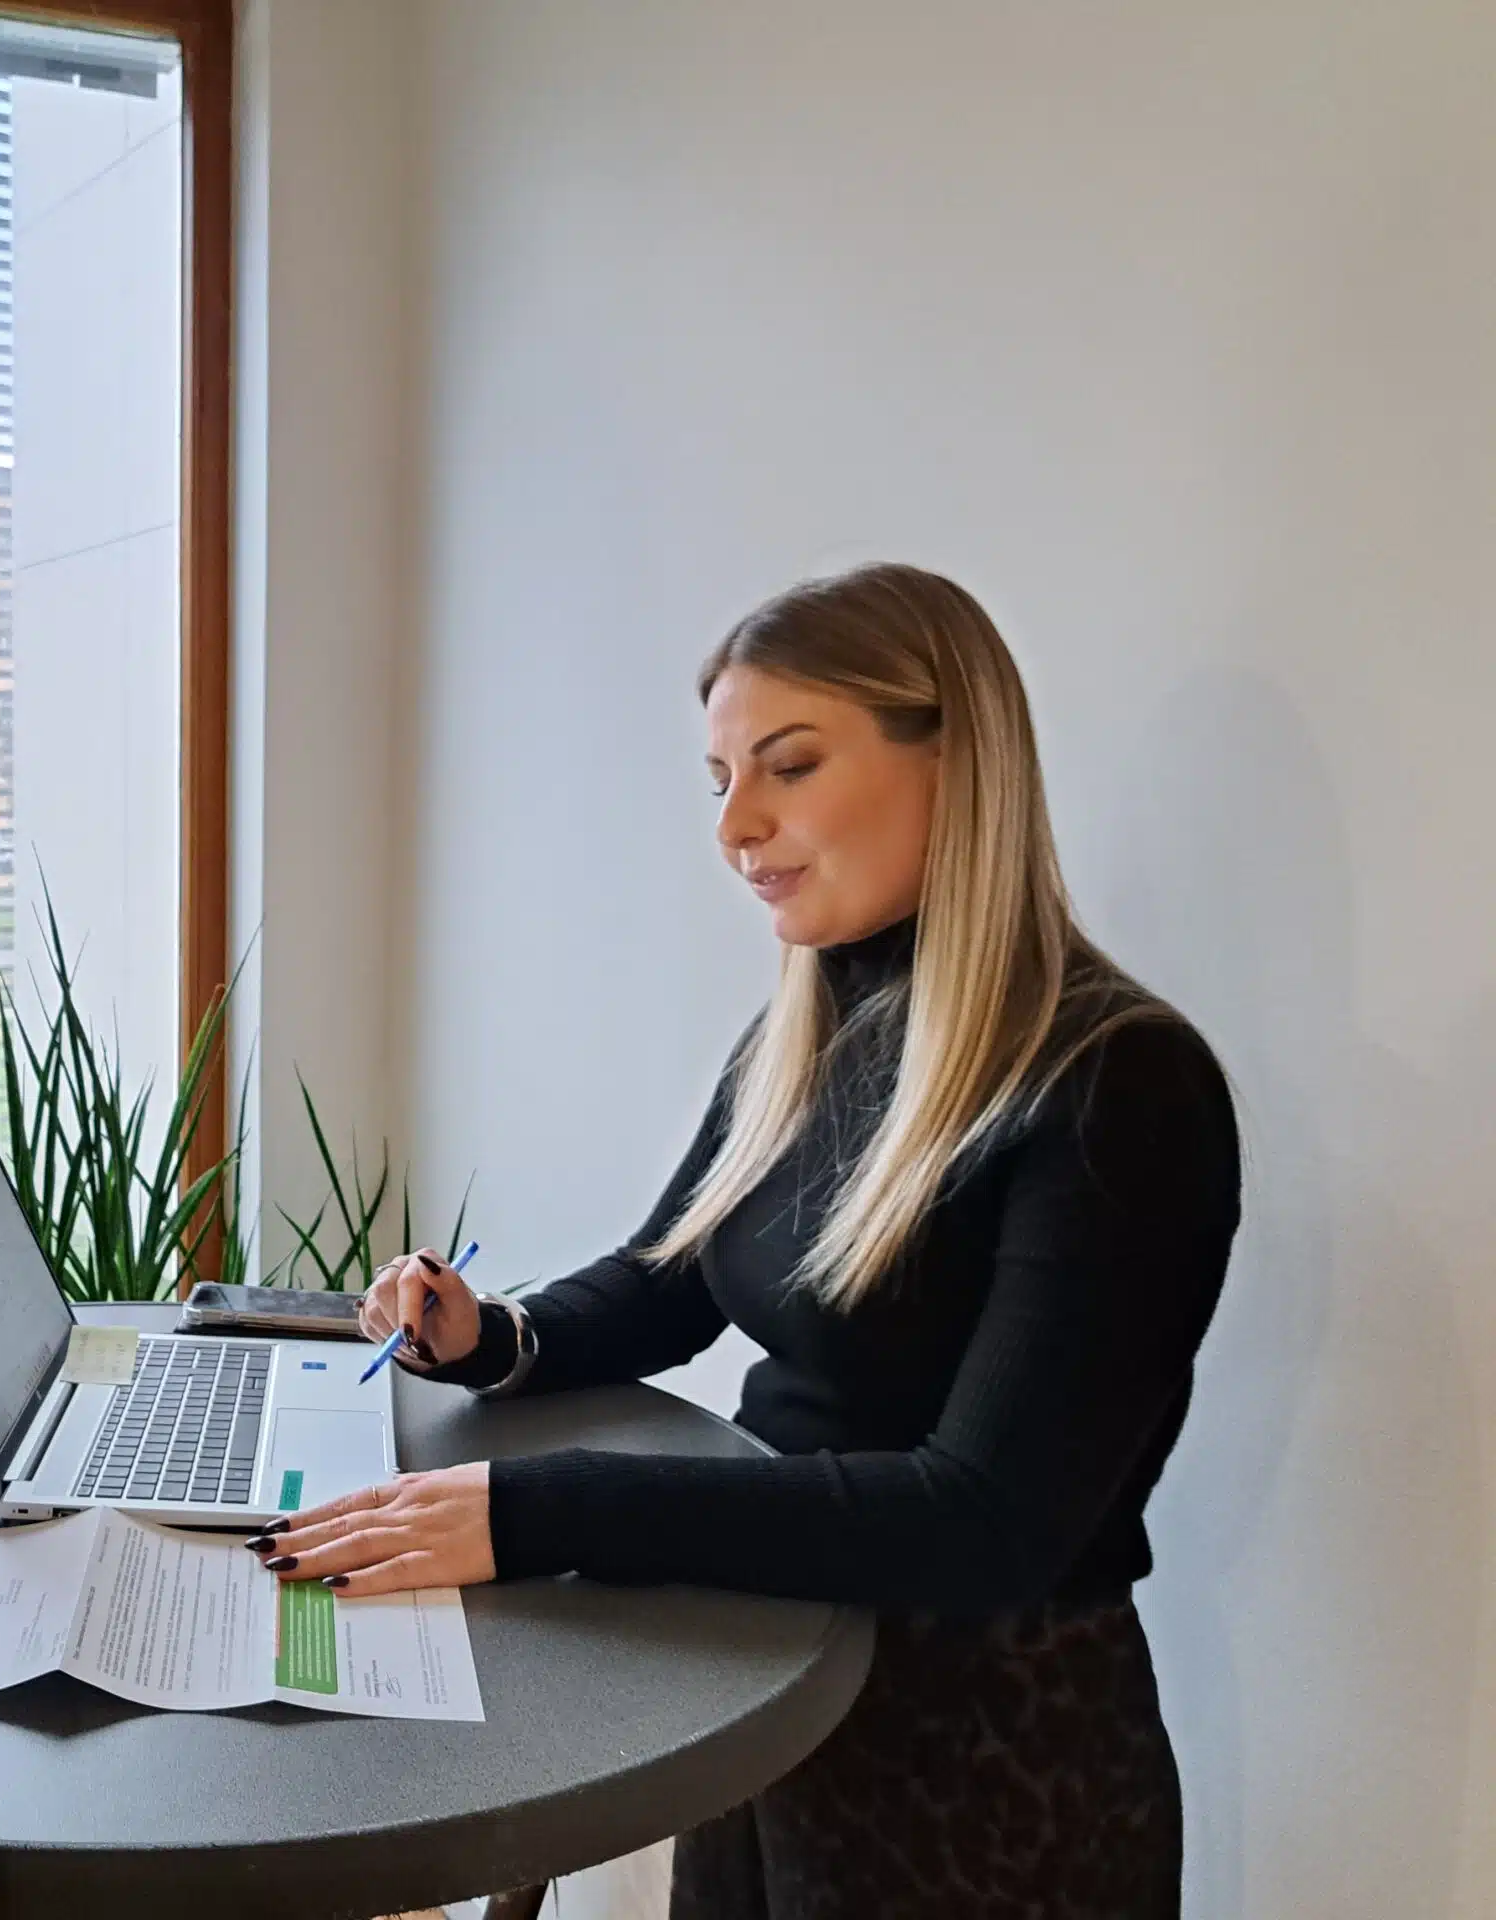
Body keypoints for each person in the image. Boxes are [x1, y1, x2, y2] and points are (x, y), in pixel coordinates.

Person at [258, 565, 1239, 1918]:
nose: (736, 826)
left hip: (987, 1763)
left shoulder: (1117, 1085)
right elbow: (670, 1279)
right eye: (720, 779)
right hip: (777, 1678)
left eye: (789, 764)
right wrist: (489, 1339)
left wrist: (538, 1512)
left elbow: (985, 1521)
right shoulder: (811, 1032)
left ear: (957, 761)